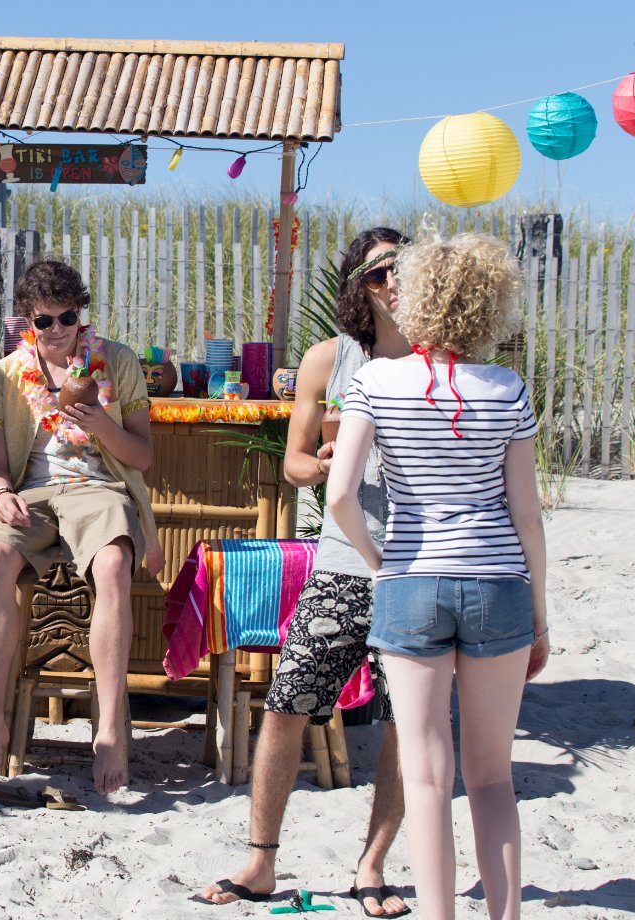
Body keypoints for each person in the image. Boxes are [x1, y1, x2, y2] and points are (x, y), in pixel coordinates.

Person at [327, 233, 548, 920]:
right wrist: (540, 613)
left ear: (414, 296)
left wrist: (377, 561)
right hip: (497, 584)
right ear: (489, 304)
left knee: (426, 777)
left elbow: (339, 496)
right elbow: (527, 515)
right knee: (491, 778)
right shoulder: (507, 387)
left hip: (412, 581)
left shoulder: (375, 382)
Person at [201, 228, 412, 916]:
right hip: (345, 559)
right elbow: (291, 463)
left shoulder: (437, 360)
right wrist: (320, 466)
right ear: (358, 287)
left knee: (407, 723)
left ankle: (372, 865)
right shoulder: (329, 361)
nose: (393, 283)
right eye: (379, 273)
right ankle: (261, 862)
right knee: (288, 700)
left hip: (416, 565)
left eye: (401, 269)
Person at [0, 260, 165, 796]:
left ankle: (107, 731)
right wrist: (0, 493)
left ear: (82, 316)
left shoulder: (116, 362)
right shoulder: (6, 374)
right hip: (30, 492)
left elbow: (142, 458)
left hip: (99, 489)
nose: (56, 331)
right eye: (44, 321)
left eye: (67, 318)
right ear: (27, 323)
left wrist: (103, 425)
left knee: (116, 564)